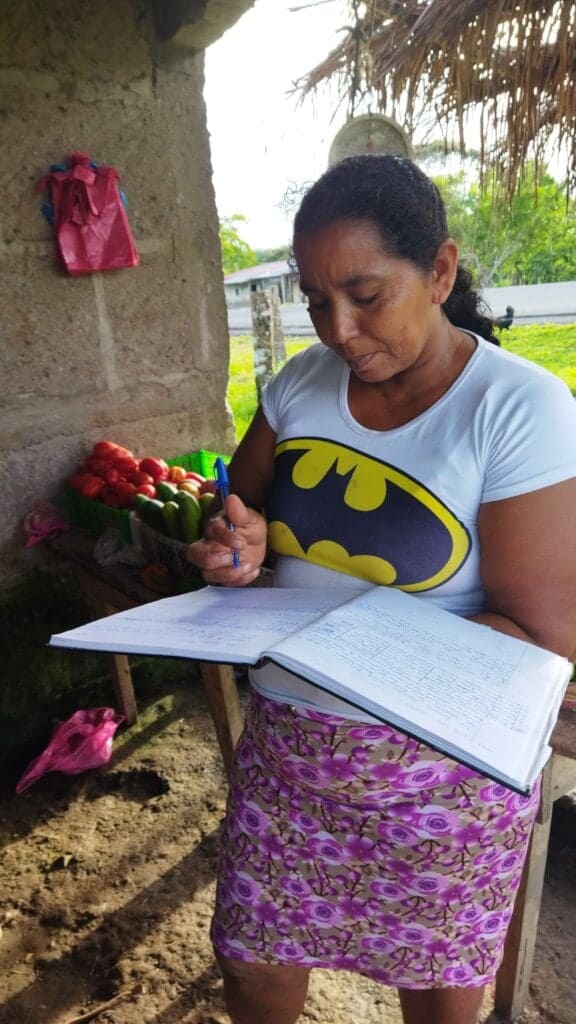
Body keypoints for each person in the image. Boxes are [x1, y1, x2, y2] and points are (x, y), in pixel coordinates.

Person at [188, 154, 576, 1024]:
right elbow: (237, 510)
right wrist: (233, 546)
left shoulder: (518, 409)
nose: (338, 328)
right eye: (317, 301)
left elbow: (540, 635)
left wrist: (351, 643)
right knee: (252, 968)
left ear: (438, 271)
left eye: (366, 295)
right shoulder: (299, 387)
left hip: (441, 782)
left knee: (436, 999)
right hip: (288, 759)